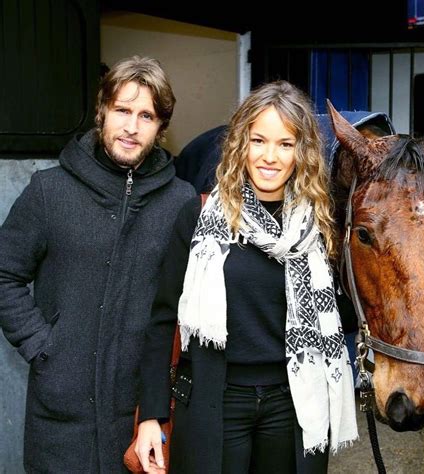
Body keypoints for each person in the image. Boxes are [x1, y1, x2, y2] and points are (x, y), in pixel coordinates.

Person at [136, 80, 358, 474]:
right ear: (242, 144)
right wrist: (151, 416)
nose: (270, 156)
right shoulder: (198, 217)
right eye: (259, 140)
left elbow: (345, 316)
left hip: (292, 405)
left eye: (285, 144)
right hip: (214, 400)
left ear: (301, 153)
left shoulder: (319, 228)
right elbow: (162, 319)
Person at [0, 56, 195, 472]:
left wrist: (160, 404)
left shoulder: (180, 202)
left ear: (161, 127)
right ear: (102, 111)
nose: (131, 127)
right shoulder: (49, 192)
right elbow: (4, 273)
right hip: (60, 420)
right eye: (123, 110)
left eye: (146, 115)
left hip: (140, 419)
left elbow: (187, 309)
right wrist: (43, 346)